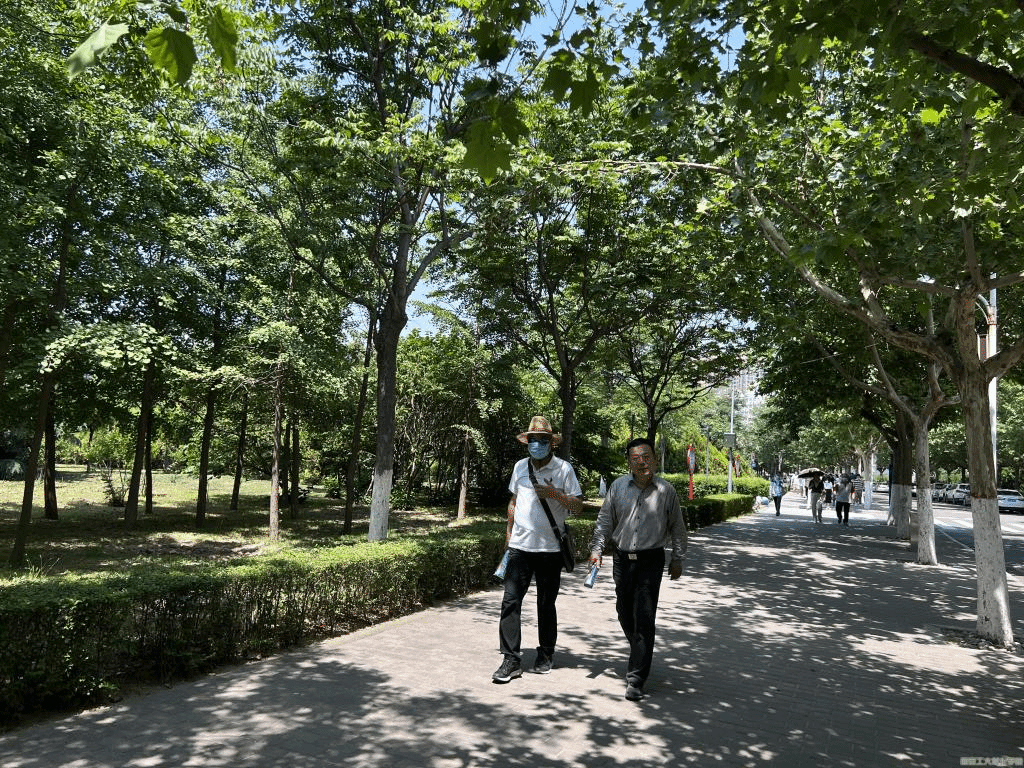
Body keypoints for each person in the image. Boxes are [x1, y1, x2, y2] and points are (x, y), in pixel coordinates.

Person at [588, 437, 687, 702]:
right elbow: (605, 521)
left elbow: (677, 526)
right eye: (636, 458)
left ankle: (636, 678)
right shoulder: (618, 487)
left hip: (651, 560)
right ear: (629, 462)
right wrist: (597, 550)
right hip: (622, 559)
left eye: (646, 457)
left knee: (644, 616)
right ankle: (640, 649)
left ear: (654, 459)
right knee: (623, 611)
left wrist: (677, 558)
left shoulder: (666, 491)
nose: (642, 462)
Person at [493, 416, 583, 684]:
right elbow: (514, 501)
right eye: (533, 440)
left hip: (550, 549)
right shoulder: (520, 467)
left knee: (546, 603)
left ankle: (545, 652)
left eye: (542, 440)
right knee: (510, 602)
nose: (537, 444)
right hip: (520, 548)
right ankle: (511, 659)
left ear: (551, 443)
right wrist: (508, 534)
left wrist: (555, 495)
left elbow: (578, 506)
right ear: (527, 442)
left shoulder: (564, 469)